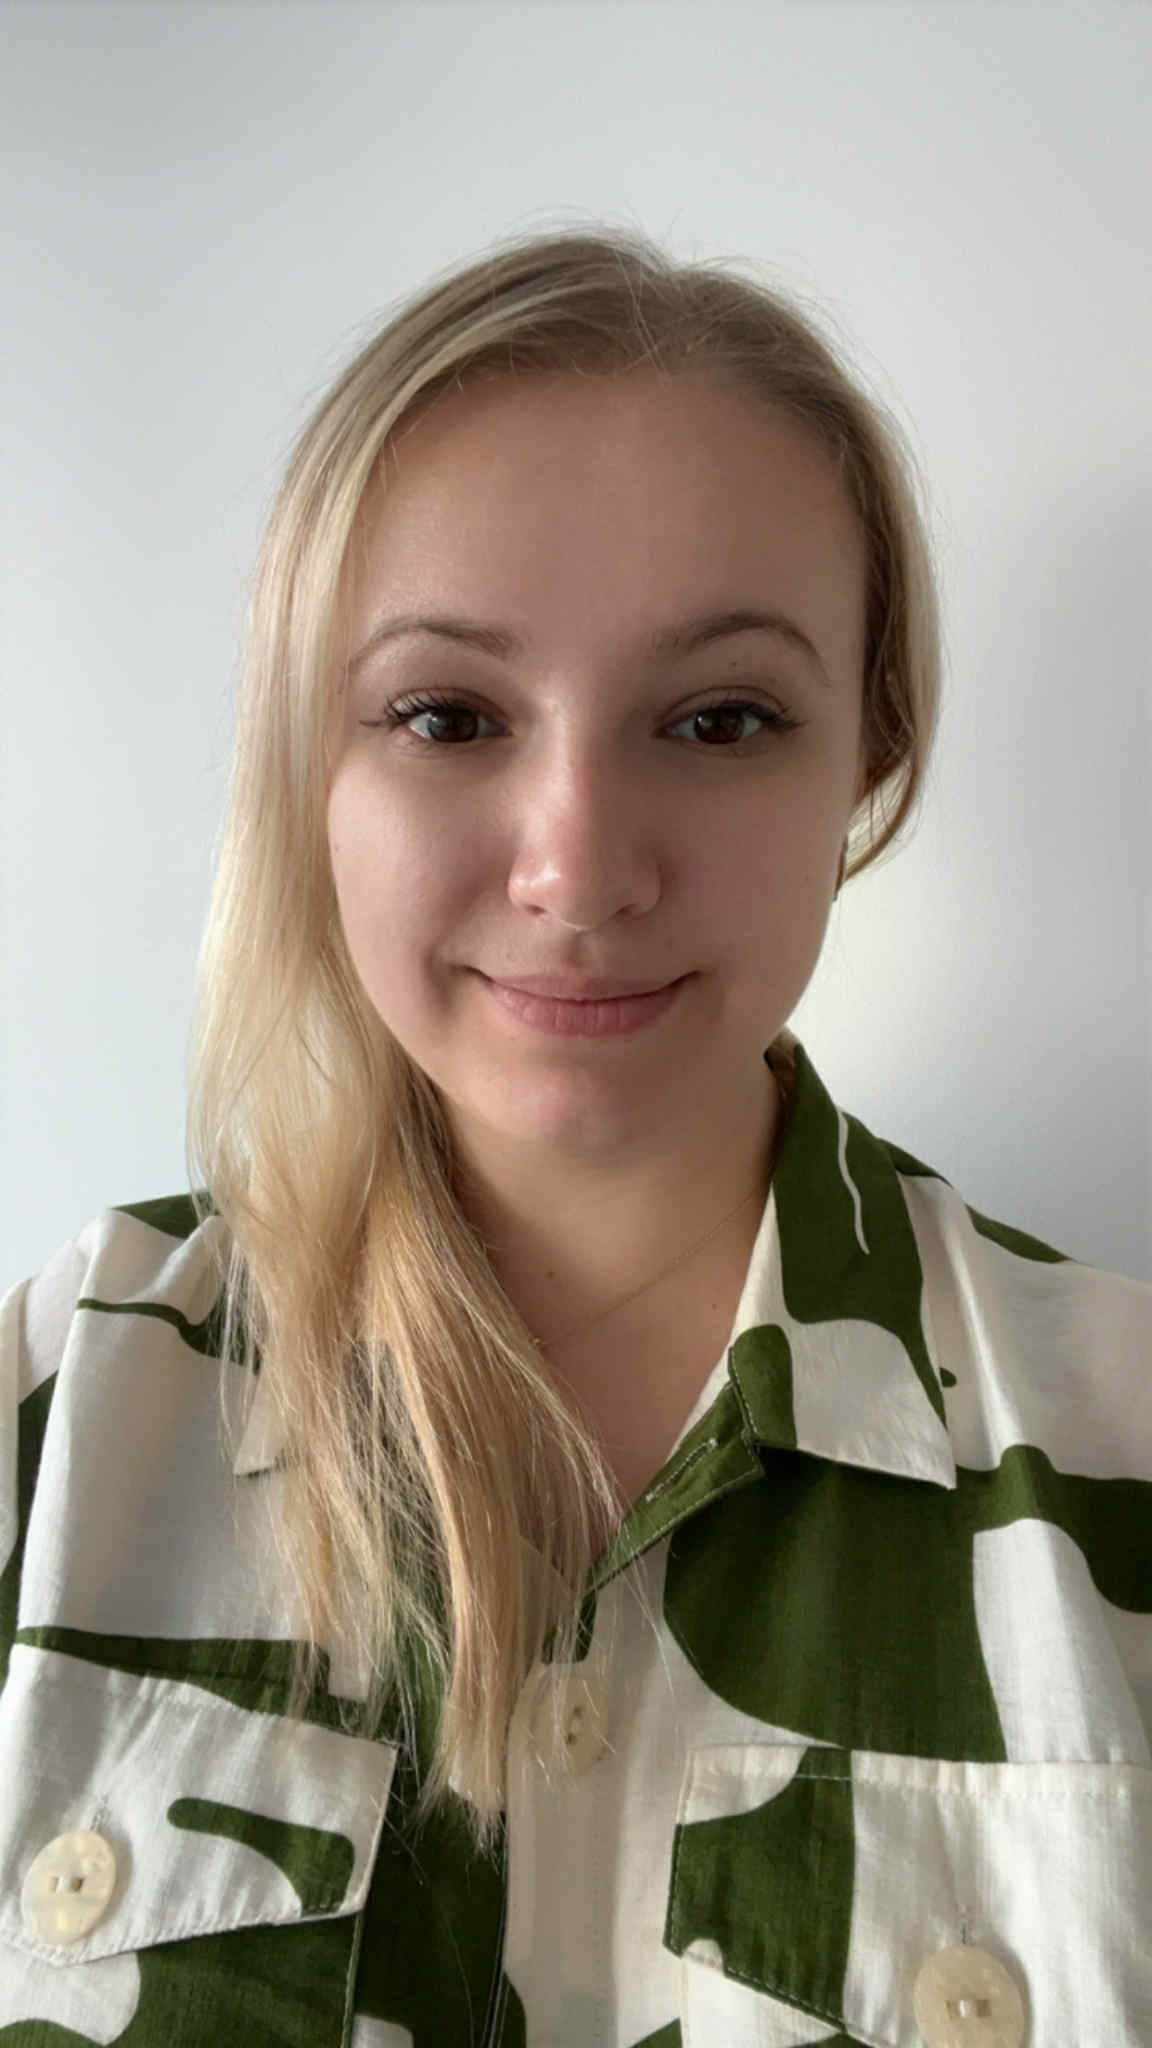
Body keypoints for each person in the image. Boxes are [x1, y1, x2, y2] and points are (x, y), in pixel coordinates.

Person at [1, 222, 1149, 2048]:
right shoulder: (59, 1418)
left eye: (721, 719)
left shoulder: (1123, 1444)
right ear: (310, 761)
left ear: (867, 751)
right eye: (447, 715)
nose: (580, 870)